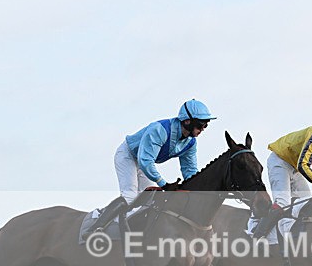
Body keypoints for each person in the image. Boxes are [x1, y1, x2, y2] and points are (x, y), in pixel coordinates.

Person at [82, 99, 216, 236]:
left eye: (206, 125)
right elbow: (145, 161)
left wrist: (197, 189)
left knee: (150, 201)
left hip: (143, 162)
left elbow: (190, 171)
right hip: (128, 155)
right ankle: (94, 227)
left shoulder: (191, 143)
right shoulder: (160, 130)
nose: (203, 129)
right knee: (130, 196)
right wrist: (164, 184)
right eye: (200, 125)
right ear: (187, 121)